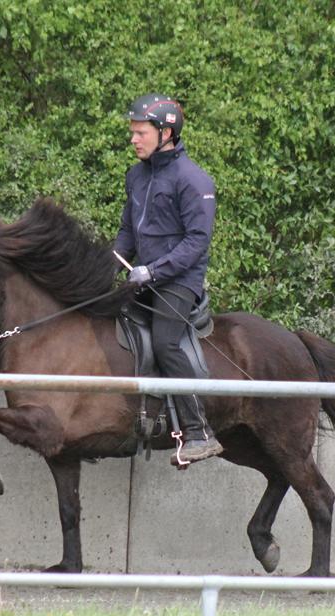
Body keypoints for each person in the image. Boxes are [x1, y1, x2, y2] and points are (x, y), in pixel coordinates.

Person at [114, 93, 223, 465]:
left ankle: (199, 431)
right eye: (132, 132)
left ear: (166, 132)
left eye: (140, 132)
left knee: (165, 342)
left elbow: (197, 241)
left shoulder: (193, 179)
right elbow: (128, 231)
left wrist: (155, 270)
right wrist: (110, 266)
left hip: (179, 281)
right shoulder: (135, 175)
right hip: (143, 277)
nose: (133, 139)